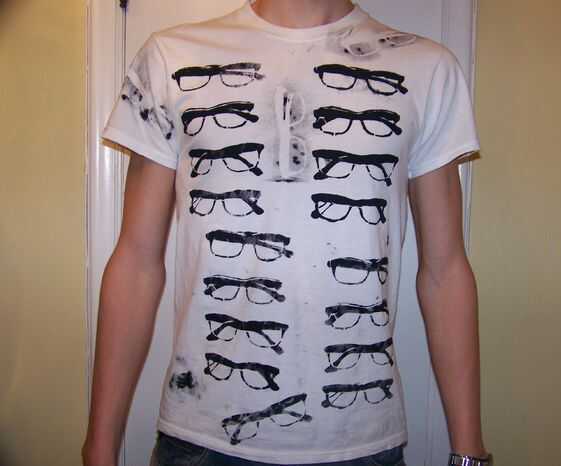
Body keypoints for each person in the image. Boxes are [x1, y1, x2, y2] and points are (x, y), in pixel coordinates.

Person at [82, 0, 492, 465]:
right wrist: (99, 448)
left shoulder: (426, 69)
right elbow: (136, 261)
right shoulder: (171, 59)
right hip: (201, 438)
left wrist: (469, 453)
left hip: (360, 441)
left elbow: (444, 271)